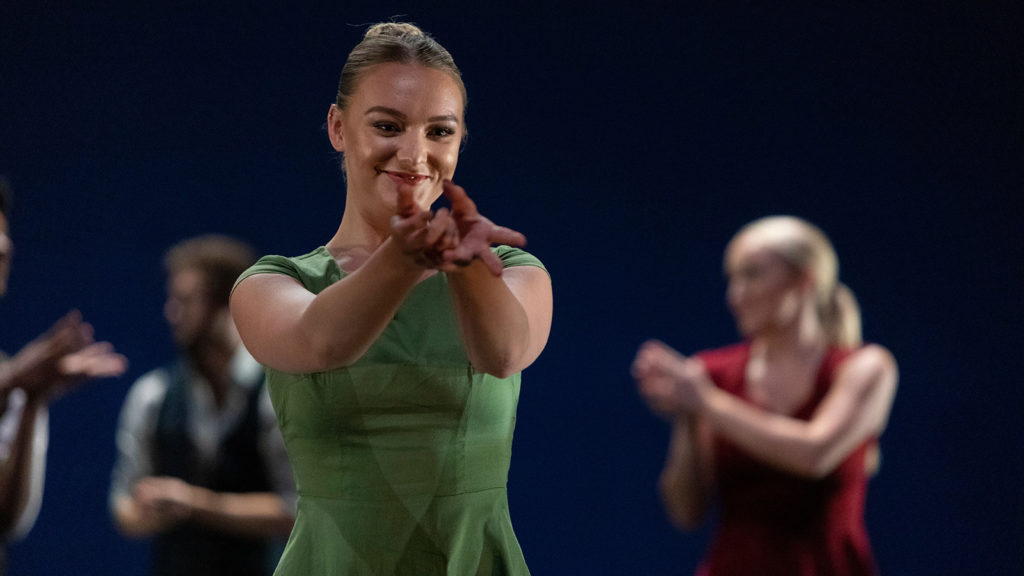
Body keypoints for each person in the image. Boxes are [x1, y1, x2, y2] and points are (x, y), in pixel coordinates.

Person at [230, 22, 553, 576]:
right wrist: (404, 258)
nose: (415, 153)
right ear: (337, 127)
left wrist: (464, 263)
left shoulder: (513, 271)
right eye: (388, 125)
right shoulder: (273, 283)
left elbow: (502, 353)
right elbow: (323, 340)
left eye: (440, 132)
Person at [633, 216, 898, 576]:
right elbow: (686, 511)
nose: (735, 295)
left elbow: (814, 454)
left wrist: (706, 402)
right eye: (732, 279)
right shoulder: (713, 375)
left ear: (805, 280)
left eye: (752, 275)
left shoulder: (865, 368)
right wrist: (686, 416)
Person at [110, 235, 296, 576]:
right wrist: (148, 509)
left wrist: (196, 505)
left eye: (185, 301)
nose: (171, 312)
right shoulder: (153, 394)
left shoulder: (277, 393)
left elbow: (297, 509)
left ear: (227, 304)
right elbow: (124, 508)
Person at [0, 176, 128, 571]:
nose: (2, 248)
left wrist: (32, 398)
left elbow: (5, 520)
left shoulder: (14, 371)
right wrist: (12, 383)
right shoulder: (12, 373)